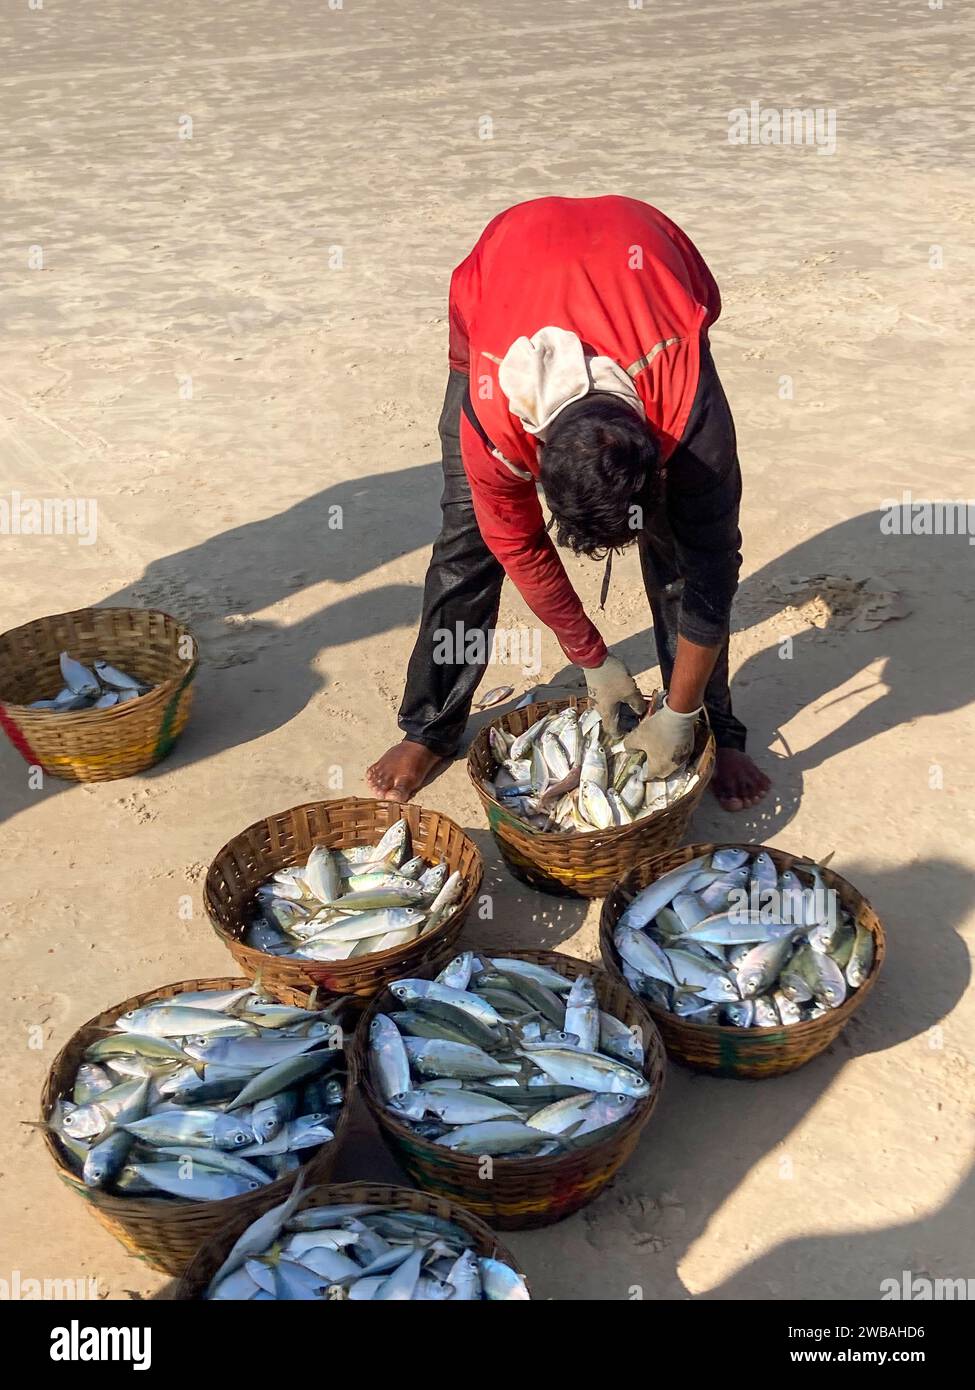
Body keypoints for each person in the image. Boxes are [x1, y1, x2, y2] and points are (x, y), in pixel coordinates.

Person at [367, 195, 770, 811]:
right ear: (535, 457)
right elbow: (519, 545)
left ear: (658, 451)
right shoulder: (493, 423)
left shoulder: (687, 406)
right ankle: (428, 727)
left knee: (684, 557)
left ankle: (710, 724)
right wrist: (592, 658)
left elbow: (714, 567)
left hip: (648, 261)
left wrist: (681, 713)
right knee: (467, 540)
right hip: (500, 277)